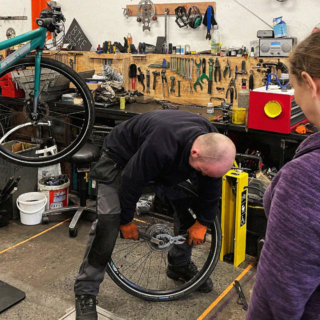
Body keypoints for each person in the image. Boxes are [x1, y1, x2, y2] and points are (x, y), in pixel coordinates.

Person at [74, 110, 236, 320]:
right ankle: (85, 292)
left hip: (164, 163)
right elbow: (132, 180)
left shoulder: (212, 143)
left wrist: (203, 222)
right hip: (121, 158)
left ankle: (179, 264)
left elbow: (211, 185)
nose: (203, 175)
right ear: (195, 152)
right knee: (108, 221)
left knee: (189, 209)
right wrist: (126, 221)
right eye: (202, 171)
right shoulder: (163, 144)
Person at [247, 31, 320, 320]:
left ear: (311, 84)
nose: (294, 98)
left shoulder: (306, 178)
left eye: (293, 87)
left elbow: (278, 299)